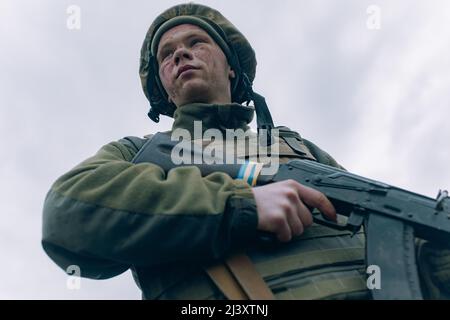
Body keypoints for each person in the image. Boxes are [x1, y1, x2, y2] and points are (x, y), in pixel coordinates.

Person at [42, 3, 450, 299]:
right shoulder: (137, 152)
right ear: (164, 86)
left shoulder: (297, 147)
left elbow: (384, 233)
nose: (181, 54)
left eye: (196, 42)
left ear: (231, 66)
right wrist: (239, 206)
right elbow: (68, 212)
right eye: (167, 54)